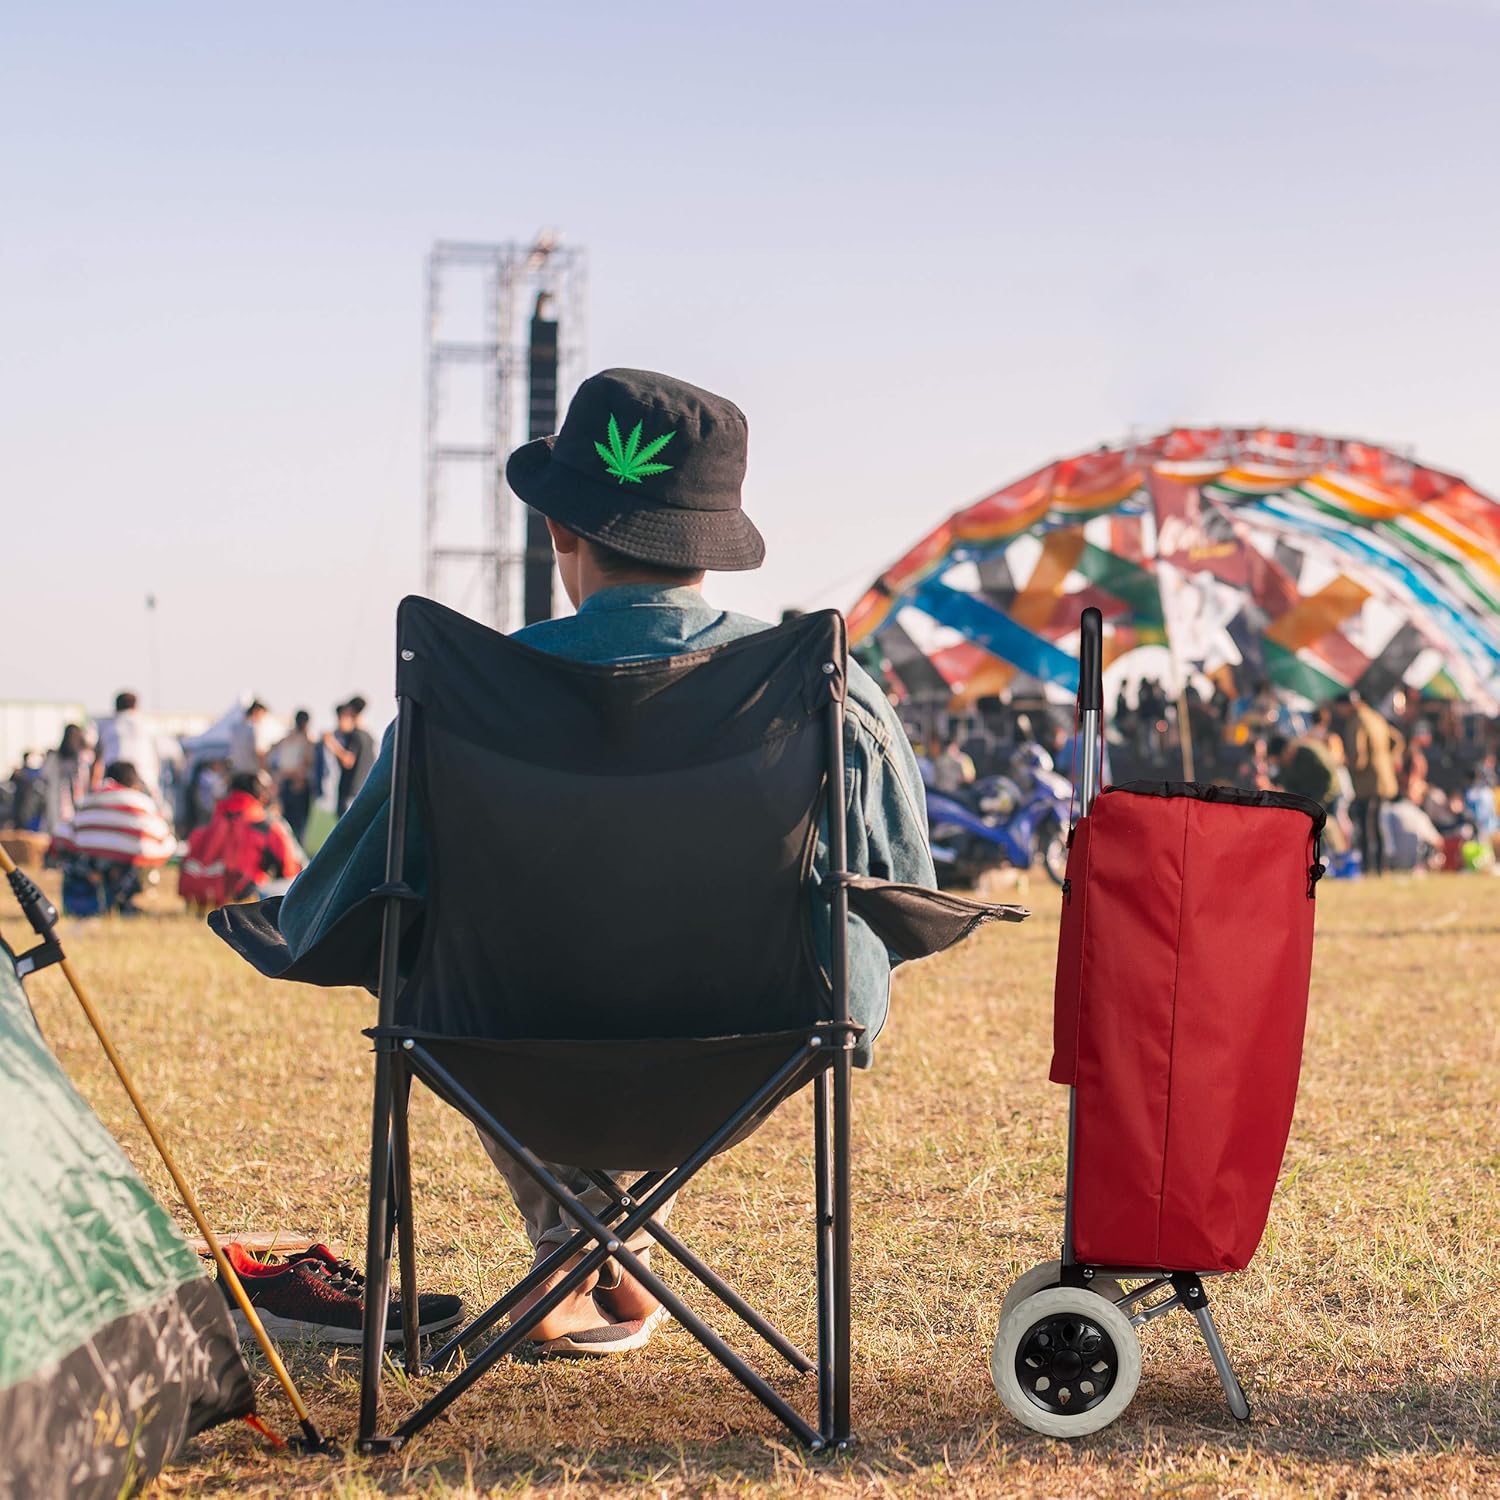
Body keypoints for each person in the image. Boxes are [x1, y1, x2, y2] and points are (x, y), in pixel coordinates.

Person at [278, 367, 935, 1356]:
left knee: (446, 958)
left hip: (513, 1041)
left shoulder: (468, 696)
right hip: (762, 1040)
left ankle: (572, 1241)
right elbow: (904, 892)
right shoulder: (829, 690)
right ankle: (585, 1249)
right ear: (714, 545)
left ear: (560, 533)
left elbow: (327, 915)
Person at [50, 761, 175, 915]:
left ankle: (98, 900)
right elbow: (167, 843)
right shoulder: (140, 802)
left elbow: (62, 835)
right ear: (135, 783)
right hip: (121, 872)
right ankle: (119, 901)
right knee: (139, 862)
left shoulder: (89, 799)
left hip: (83, 876)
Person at [180, 771, 304, 912]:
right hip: (244, 895)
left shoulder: (213, 818)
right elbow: (288, 868)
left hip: (199, 893)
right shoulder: (265, 825)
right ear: (261, 795)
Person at [1336, 692, 1404, 876]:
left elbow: (1358, 755)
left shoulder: (1356, 721)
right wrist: (1387, 758)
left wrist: (1347, 764)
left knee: (1367, 825)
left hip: (1367, 781)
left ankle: (1369, 867)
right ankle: (1382, 867)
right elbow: (1396, 740)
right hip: (1385, 777)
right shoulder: (1375, 716)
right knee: (1379, 823)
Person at [92, 692, 163, 803]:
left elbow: (97, 762)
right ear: (136, 706)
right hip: (144, 780)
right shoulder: (148, 725)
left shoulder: (107, 726)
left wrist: (93, 789)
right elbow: (157, 759)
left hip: (114, 780)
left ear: (116, 707)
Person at [270, 710, 317, 843]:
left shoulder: (287, 738)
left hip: (286, 782)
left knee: (288, 824)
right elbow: (307, 762)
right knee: (298, 826)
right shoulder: (306, 739)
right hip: (298, 784)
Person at [324, 699, 375, 817]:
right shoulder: (369, 736)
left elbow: (348, 761)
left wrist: (332, 743)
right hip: (364, 791)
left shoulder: (355, 736)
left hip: (351, 791)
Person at [228, 700, 271, 776]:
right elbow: (259, 752)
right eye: (262, 715)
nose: (263, 719)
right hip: (251, 773)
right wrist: (265, 772)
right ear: (257, 712)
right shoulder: (255, 728)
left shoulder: (235, 728)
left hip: (236, 772)